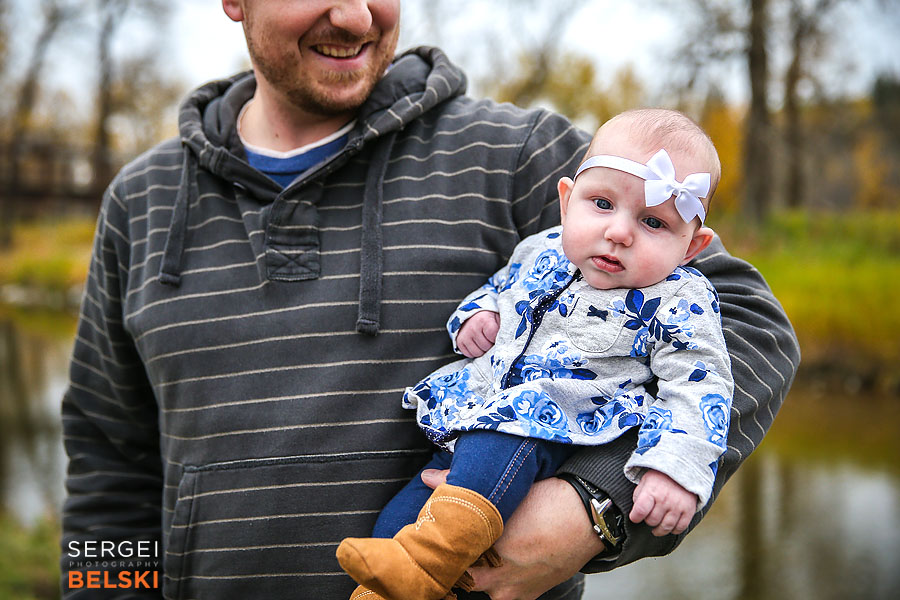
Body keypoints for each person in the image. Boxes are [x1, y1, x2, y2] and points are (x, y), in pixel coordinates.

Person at [60, 2, 800, 599]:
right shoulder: (143, 201)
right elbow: (108, 458)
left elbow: (748, 329)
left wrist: (593, 507)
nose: (352, 16)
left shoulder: (518, 156)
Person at [336, 109, 734, 600]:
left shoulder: (679, 299)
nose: (619, 232)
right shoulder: (541, 249)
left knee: (498, 446)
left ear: (692, 246)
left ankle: (428, 560)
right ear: (568, 202)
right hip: (472, 422)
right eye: (602, 203)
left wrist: (675, 467)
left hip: (551, 428)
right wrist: (477, 317)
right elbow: (499, 288)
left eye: (653, 221)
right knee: (398, 522)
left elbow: (700, 387)